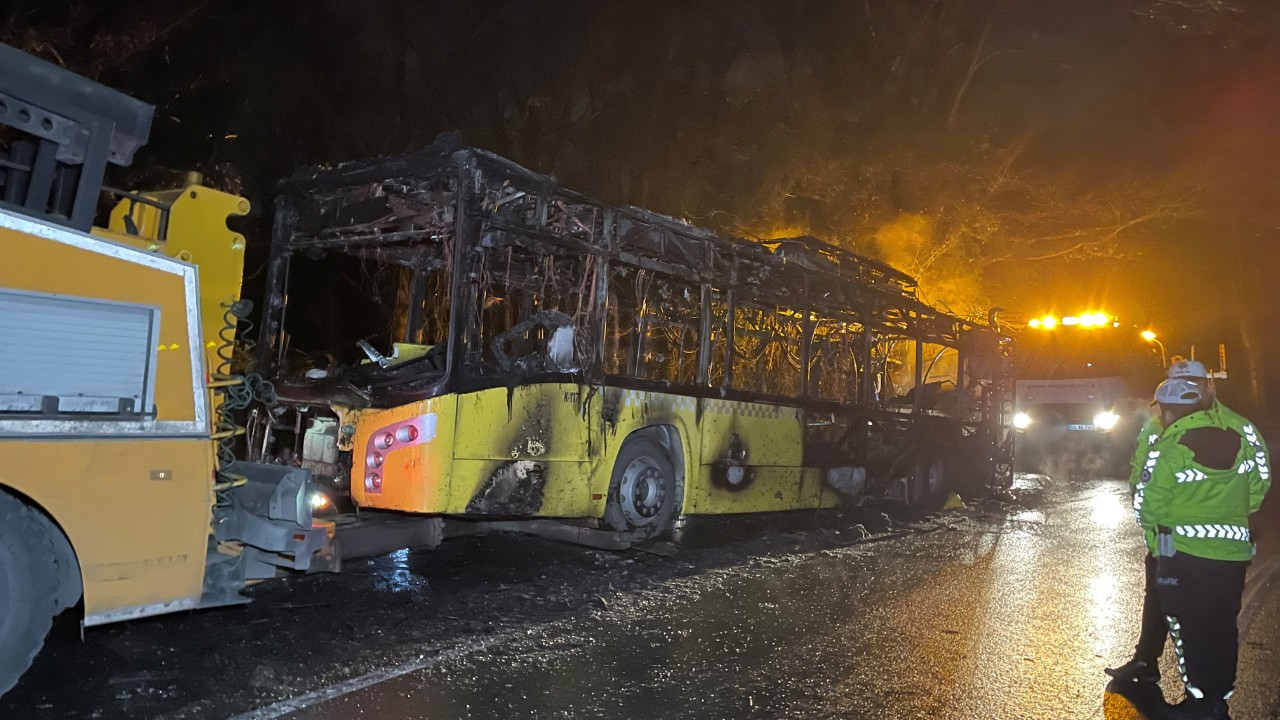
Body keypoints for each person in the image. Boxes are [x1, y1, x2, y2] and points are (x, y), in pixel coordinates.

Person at [1130, 378, 1270, 719]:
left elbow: (1147, 505)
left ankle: (1198, 702)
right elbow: (1256, 489)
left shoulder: (1171, 447)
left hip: (1183, 556)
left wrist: (1165, 528)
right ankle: (1218, 700)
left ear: (1168, 410)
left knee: (1186, 627)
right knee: (1221, 626)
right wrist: (1230, 513)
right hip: (1232, 557)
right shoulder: (1240, 439)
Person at [1107, 360, 1223, 683]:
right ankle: (1146, 661)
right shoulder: (1156, 427)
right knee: (1157, 594)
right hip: (1162, 534)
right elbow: (1140, 470)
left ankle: (1205, 686)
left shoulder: (1213, 428)